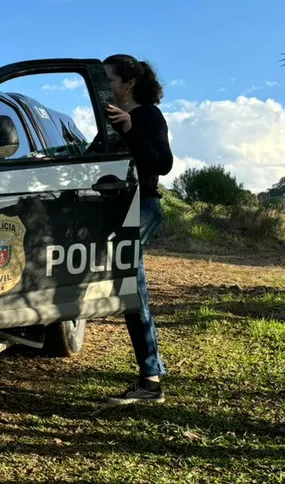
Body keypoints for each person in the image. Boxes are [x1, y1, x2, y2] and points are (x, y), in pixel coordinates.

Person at [100, 54, 174, 404]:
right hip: (119, 207)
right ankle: (150, 376)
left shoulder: (147, 116)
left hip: (142, 206)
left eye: (109, 80)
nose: (105, 87)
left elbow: (163, 163)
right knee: (127, 286)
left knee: (132, 286)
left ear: (128, 83)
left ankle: (151, 380)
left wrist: (130, 128)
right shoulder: (113, 118)